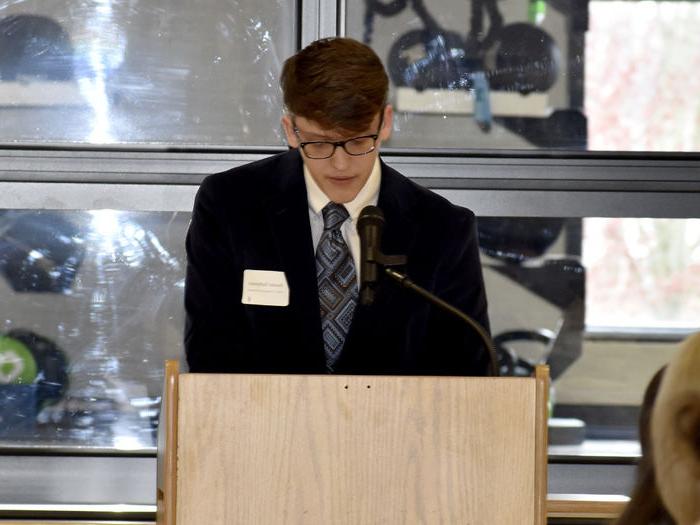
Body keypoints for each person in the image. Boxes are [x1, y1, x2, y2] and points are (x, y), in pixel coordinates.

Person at [184, 37, 490, 375]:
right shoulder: (230, 205)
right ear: (291, 130)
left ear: (385, 123)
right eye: (319, 143)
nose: (340, 164)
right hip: (261, 423)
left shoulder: (443, 229)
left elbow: (467, 373)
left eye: (359, 141)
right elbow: (210, 352)